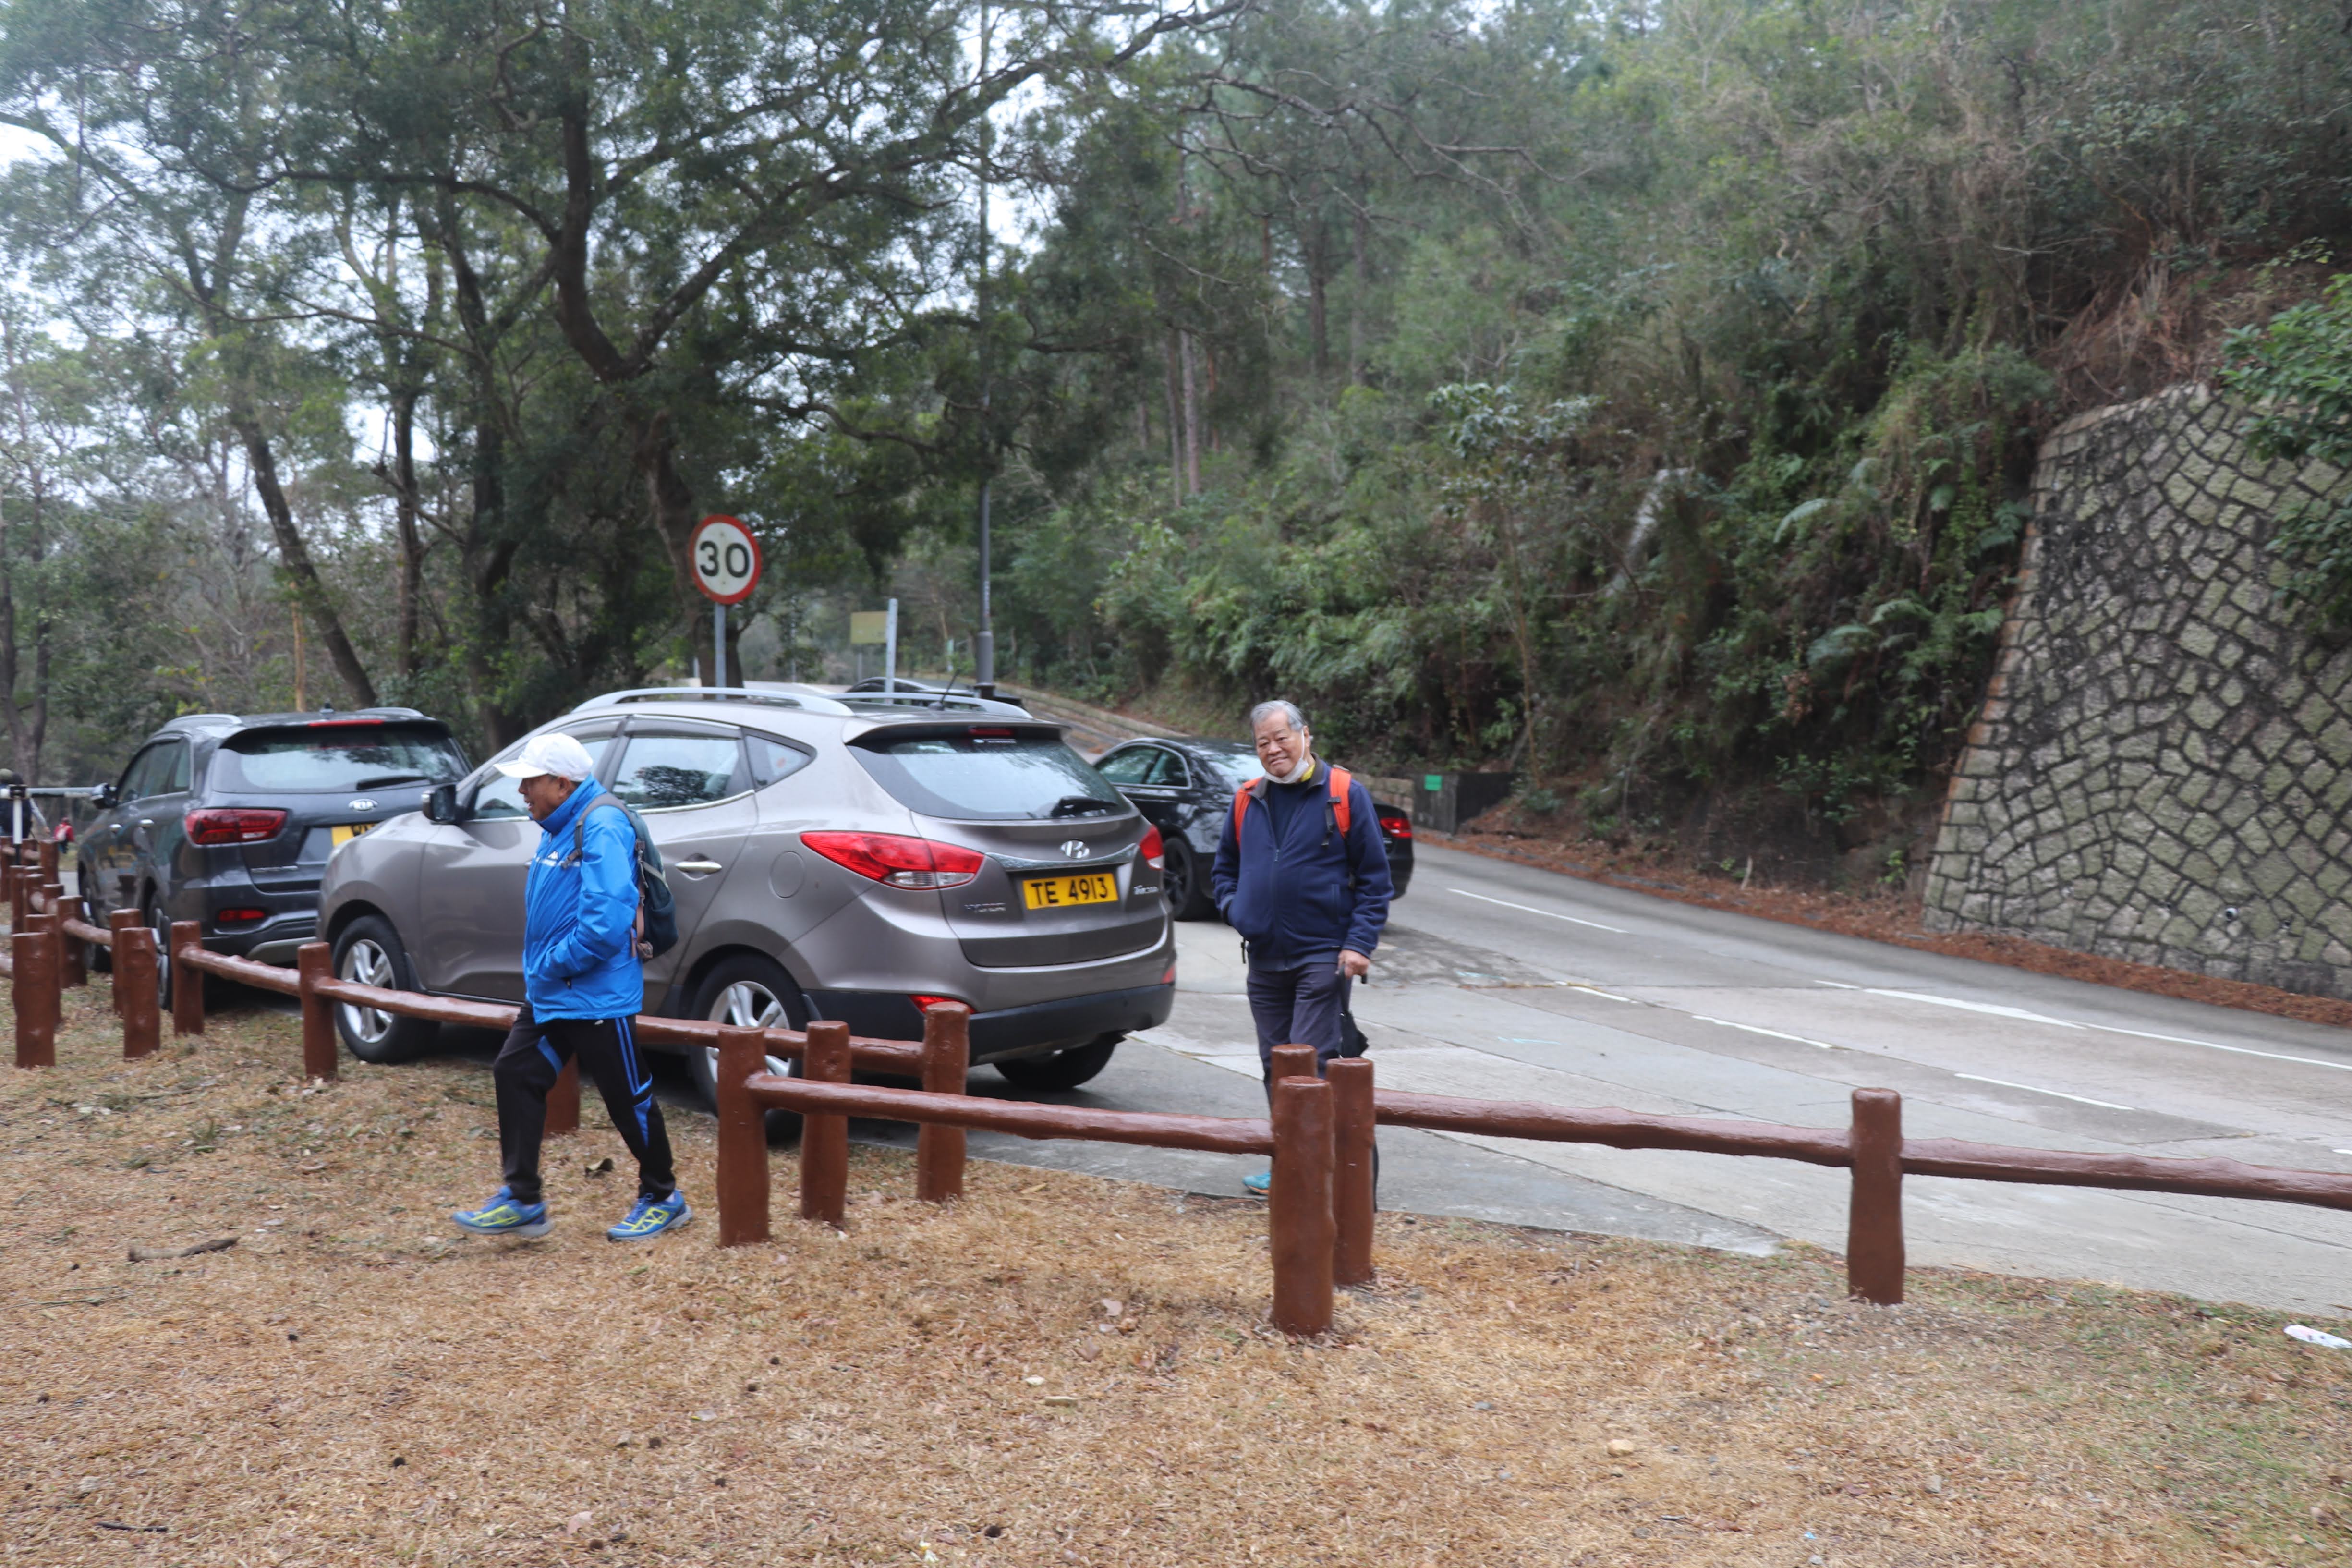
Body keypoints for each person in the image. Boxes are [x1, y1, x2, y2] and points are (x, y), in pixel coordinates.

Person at [452, 732, 691, 1242]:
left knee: (626, 1095)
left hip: (595, 993)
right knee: (516, 1071)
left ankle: (663, 1196)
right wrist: (548, 970)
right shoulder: (558, 823)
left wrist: (554, 963)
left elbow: (605, 924)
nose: (522, 792)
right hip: (555, 989)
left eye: (530, 782)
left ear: (562, 784)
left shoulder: (601, 824)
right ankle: (523, 1198)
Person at [1210, 698, 1394, 1196]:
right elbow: (1223, 868)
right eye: (1263, 743)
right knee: (1275, 1065)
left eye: (1281, 738)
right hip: (1265, 958)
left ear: (1305, 735)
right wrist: (1236, 910)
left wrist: (1359, 943)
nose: (1273, 750)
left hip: (1323, 954)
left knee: (1308, 1062)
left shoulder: (1343, 794)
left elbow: (1376, 880)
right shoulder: (1247, 799)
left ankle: (1318, 1173)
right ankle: (1290, 1161)